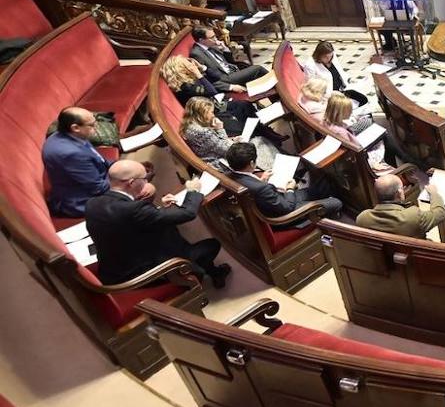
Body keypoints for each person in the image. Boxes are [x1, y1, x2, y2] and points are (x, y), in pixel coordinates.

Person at [85, 160, 230, 287]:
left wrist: (163, 209)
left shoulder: (93, 203)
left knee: (171, 231)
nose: (147, 182)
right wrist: (193, 191)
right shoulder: (134, 209)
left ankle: (207, 271)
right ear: (131, 183)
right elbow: (188, 214)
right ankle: (203, 274)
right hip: (139, 273)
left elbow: (132, 220)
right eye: (144, 179)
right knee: (211, 245)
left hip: (115, 265)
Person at [43, 107, 147, 218]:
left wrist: (121, 167)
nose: (96, 126)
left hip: (92, 181)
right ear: (75, 127)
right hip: (81, 202)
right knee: (145, 191)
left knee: (136, 172)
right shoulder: (70, 154)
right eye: (92, 125)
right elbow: (98, 188)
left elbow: (100, 160)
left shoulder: (70, 136)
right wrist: (130, 179)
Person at [224, 141, 343, 224]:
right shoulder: (261, 188)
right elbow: (287, 207)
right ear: (251, 164)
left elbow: (253, 187)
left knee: (321, 186)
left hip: (276, 200)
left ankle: (325, 203)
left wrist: (261, 180)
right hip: (284, 214)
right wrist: (290, 189)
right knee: (336, 202)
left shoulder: (231, 176)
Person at [161, 55, 267, 138]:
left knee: (245, 105)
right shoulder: (185, 87)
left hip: (215, 105)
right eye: (187, 65)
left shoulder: (188, 79)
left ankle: (264, 130)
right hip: (209, 113)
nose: (191, 66)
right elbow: (212, 92)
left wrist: (202, 68)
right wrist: (198, 74)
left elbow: (217, 78)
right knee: (241, 116)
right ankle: (258, 133)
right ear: (181, 69)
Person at [180, 96, 279, 170]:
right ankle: (276, 168)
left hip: (218, 153)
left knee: (258, 140)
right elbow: (228, 150)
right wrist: (220, 129)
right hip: (221, 162)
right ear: (201, 114)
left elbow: (216, 144)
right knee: (256, 143)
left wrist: (231, 140)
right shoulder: (202, 132)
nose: (213, 115)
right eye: (211, 112)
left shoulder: (190, 124)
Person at [322, 92, 409, 172]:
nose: (350, 112)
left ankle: (403, 158)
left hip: (355, 142)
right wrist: (372, 164)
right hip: (361, 152)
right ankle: (404, 160)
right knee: (384, 135)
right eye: (348, 110)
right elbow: (358, 153)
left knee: (376, 127)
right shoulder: (340, 132)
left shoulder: (327, 121)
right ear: (341, 112)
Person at [356, 175, 445, 239]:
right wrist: (434, 193)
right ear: (399, 193)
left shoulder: (362, 218)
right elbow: (440, 213)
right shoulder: (413, 216)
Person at [189, 26, 267, 92]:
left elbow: (230, 61)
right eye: (212, 37)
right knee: (258, 69)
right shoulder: (196, 54)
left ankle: (275, 95)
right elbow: (206, 79)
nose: (216, 39)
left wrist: (225, 49)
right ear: (201, 40)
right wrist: (230, 87)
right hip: (224, 78)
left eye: (215, 36)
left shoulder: (211, 45)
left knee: (262, 80)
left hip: (232, 71)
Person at [301, 41, 369, 107]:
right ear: (318, 55)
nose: (329, 59)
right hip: (331, 95)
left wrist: (349, 79)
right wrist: (328, 95)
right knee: (355, 103)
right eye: (326, 57)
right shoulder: (310, 65)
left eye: (330, 56)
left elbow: (339, 71)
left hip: (343, 89)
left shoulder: (332, 56)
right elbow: (312, 87)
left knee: (364, 99)